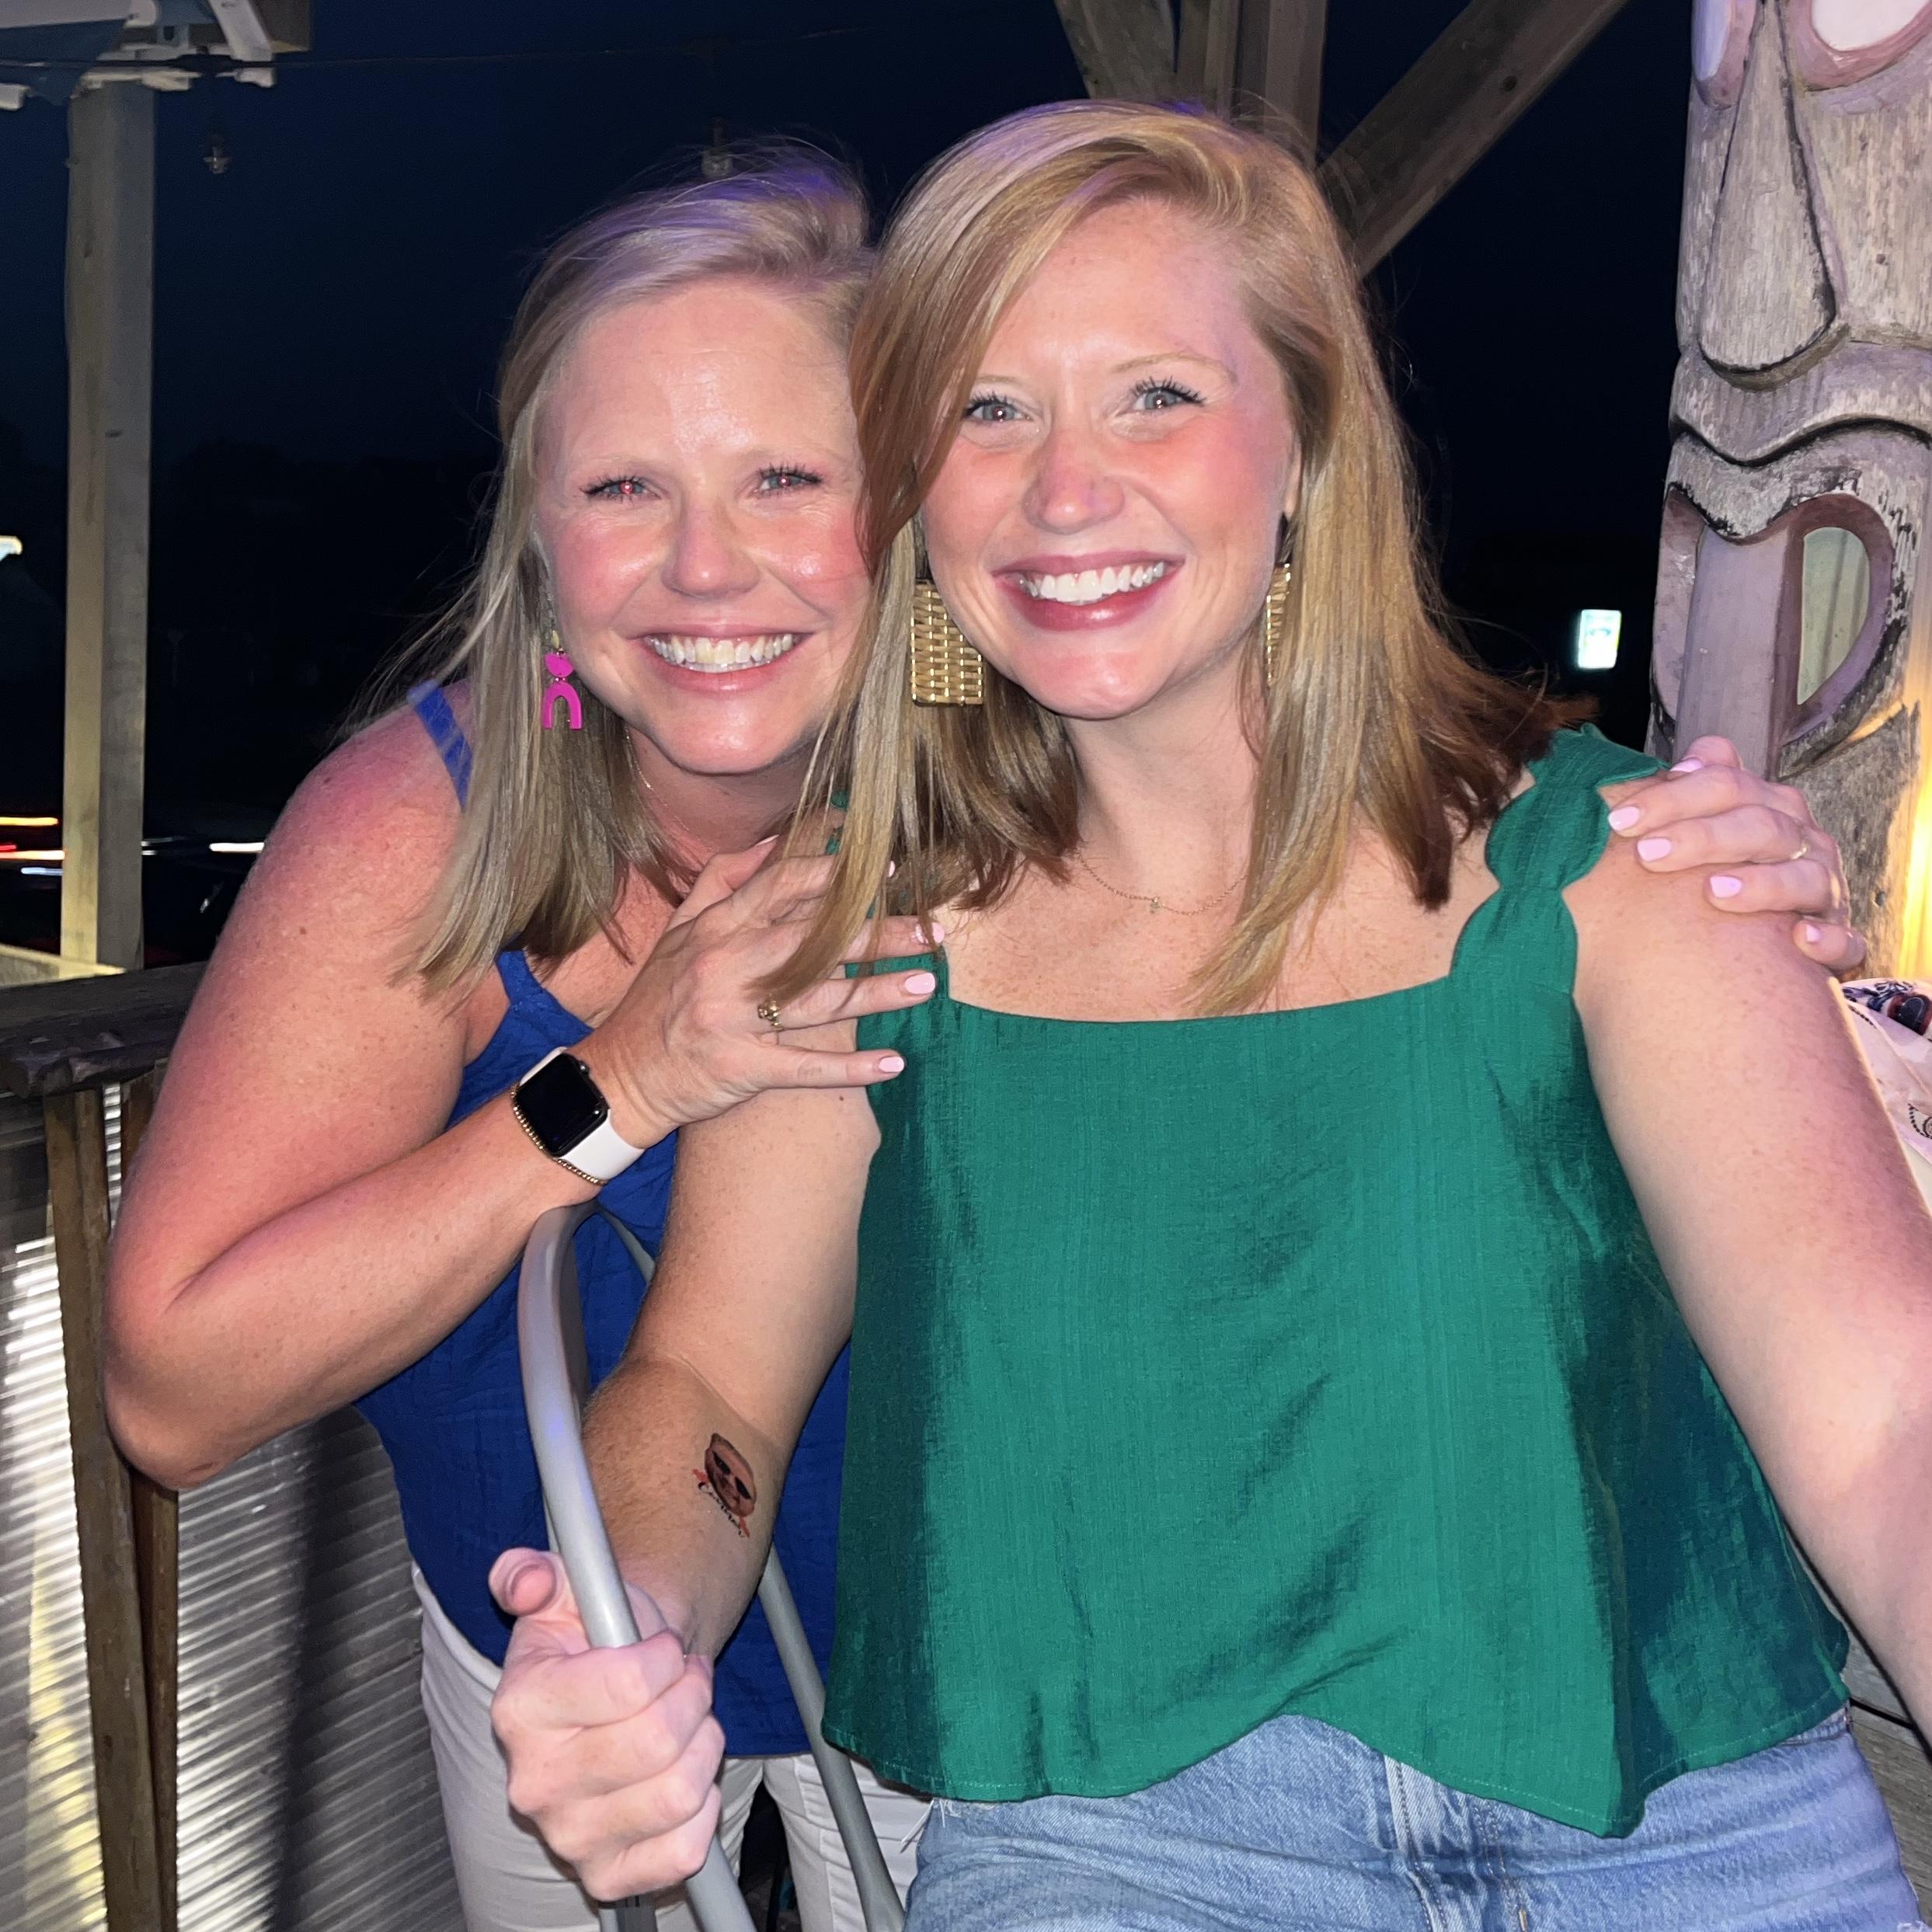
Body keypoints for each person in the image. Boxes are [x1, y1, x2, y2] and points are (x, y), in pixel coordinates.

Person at [486, 104, 1930, 1930]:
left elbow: (1879, 1419)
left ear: (1304, 440)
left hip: (1688, 1830)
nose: (1061, 490)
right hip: (1116, 1851)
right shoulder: (851, 929)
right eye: (986, 410)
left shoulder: (1623, 878)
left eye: (1152, 395)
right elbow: (705, 1392)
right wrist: (623, 1622)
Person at [103, 159, 937, 1932]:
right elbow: (171, 1395)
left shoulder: (1032, 795)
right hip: (551, 1654)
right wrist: (621, 1078)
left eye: (787, 478)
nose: (704, 563)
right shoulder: (419, 822)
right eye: (625, 487)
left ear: (908, 513)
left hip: (968, 1648)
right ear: (541, 551)